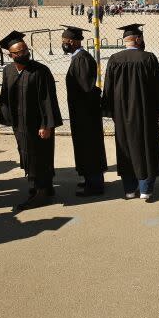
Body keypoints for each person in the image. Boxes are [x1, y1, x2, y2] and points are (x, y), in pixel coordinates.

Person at [101, 24, 159, 202]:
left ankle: (129, 190)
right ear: (138, 39)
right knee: (146, 148)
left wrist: (111, 111)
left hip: (122, 115)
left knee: (126, 148)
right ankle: (146, 190)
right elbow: (158, 87)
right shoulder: (148, 59)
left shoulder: (114, 60)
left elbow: (108, 89)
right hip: (145, 114)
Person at [0, 30, 63, 210]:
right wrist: (8, 118)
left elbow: (48, 99)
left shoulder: (40, 71)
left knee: (40, 157)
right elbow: (5, 97)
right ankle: (44, 189)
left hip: (38, 126)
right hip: (20, 125)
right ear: (10, 55)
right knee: (27, 155)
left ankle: (40, 193)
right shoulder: (9, 71)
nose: (24, 54)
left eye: (25, 50)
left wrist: (46, 124)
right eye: (19, 52)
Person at [61, 25, 107, 197]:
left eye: (65, 41)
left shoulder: (82, 59)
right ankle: (90, 179)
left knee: (89, 147)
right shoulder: (79, 58)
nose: (64, 44)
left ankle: (94, 184)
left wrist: (82, 109)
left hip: (85, 114)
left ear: (72, 41)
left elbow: (86, 88)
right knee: (85, 147)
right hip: (83, 112)